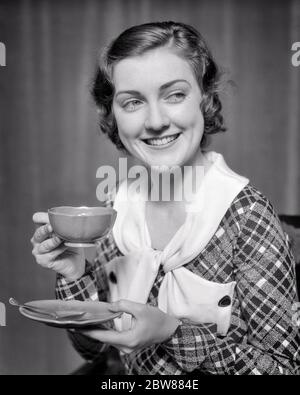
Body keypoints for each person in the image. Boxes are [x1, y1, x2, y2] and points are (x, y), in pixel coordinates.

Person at [31, 21, 300, 375]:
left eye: (174, 95)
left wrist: (172, 333)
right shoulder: (119, 206)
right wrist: (74, 273)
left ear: (204, 97)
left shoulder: (246, 215)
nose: (155, 121)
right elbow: (95, 349)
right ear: (112, 112)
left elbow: (284, 368)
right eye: (132, 102)